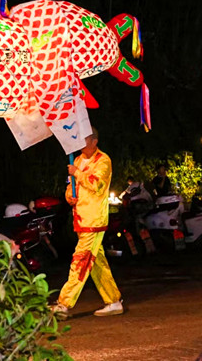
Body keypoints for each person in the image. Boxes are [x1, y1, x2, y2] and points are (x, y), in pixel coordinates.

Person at [51, 128, 123, 319]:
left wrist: (78, 173)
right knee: (96, 262)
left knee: (81, 260)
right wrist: (70, 196)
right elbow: (71, 187)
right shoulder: (77, 160)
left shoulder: (103, 160)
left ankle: (64, 303)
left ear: (94, 141)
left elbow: (96, 184)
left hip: (94, 220)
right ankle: (113, 301)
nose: (80, 142)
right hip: (80, 219)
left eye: (84, 139)